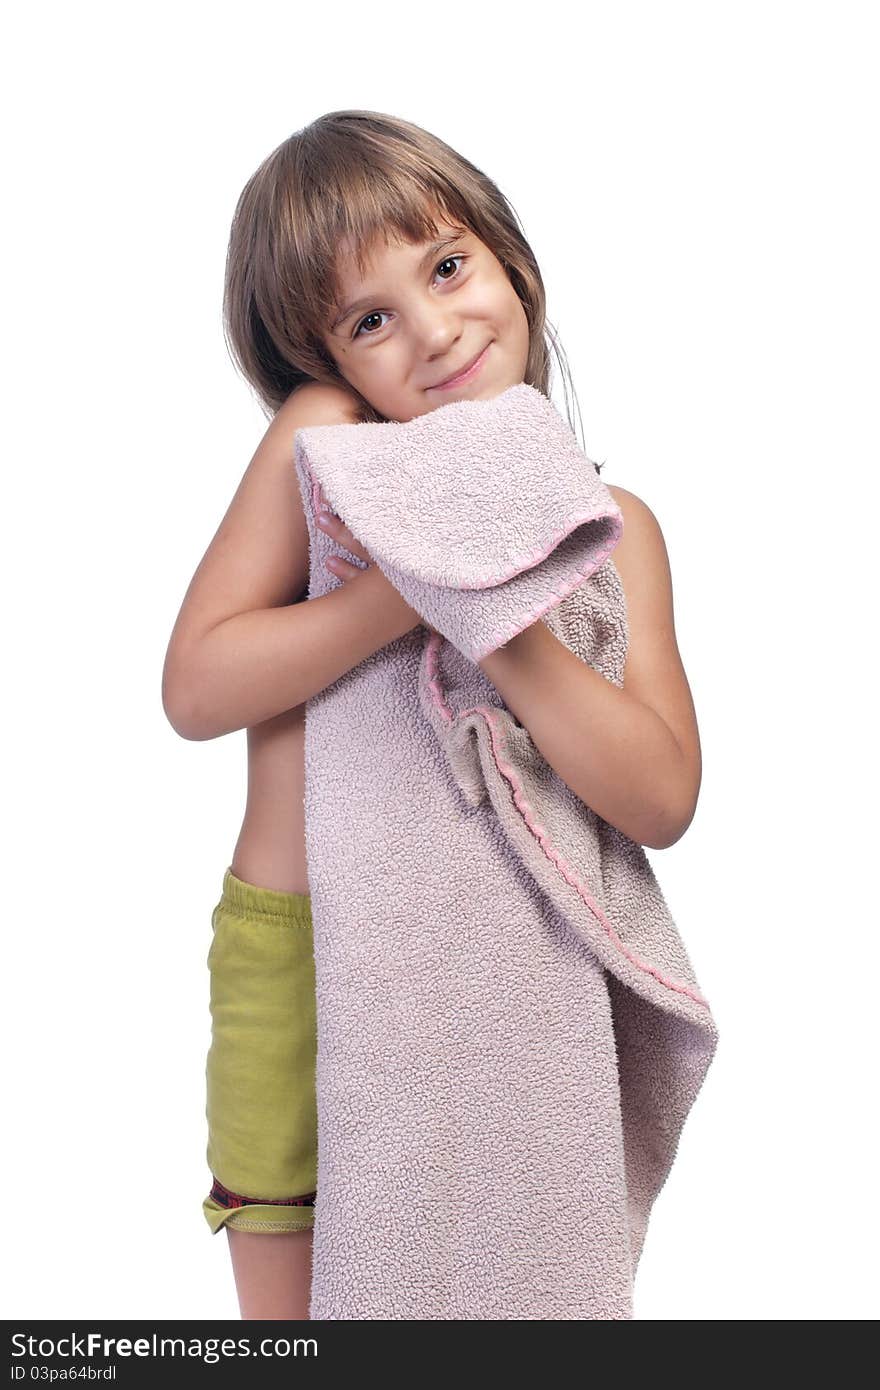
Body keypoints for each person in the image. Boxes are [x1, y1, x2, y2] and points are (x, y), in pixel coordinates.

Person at [161, 109, 702, 1320]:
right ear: (325, 361)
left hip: (499, 973)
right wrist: (411, 585)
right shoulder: (326, 450)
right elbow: (197, 683)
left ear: (507, 258)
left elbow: (659, 799)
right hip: (298, 956)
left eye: (446, 266)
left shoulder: (615, 528)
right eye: (369, 319)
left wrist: (494, 601)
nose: (435, 328)